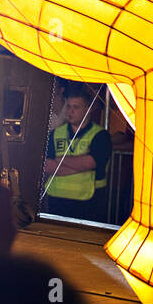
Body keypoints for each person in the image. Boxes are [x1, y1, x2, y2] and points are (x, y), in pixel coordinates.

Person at [44, 88, 111, 221]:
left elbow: (90, 163)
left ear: (88, 109)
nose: (70, 111)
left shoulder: (100, 136)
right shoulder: (55, 133)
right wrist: (80, 167)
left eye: (76, 107)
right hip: (57, 201)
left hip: (89, 203)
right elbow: (47, 166)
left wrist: (59, 159)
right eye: (68, 106)